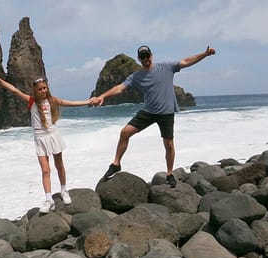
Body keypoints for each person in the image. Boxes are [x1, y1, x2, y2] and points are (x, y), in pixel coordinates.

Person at [91, 45, 216, 187]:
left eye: (147, 56)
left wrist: (205, 54)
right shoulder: (136, 77)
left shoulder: (166, 67)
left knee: (168, 144)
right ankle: (116, 164)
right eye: (142, 57)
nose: (145, 59)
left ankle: (169, 173)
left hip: (166, 113)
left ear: (151, 56)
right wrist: (102, 96)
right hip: (149, 112)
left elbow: (186, 61)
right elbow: (120, 88)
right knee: (125, 132)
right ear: (139, 59)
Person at [0, 73, 92, 213]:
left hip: (53, 135)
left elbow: (71, 103)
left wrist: (89, 101)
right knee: (45, 170)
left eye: (45, 88)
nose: (43, 91)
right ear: (35, 91)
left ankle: (63, 190)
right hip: (39, 138)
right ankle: (49, 200)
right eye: (40, 89)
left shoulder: (52, 101)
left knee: (59, 165)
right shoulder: (31, 102)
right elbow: (14, 90)